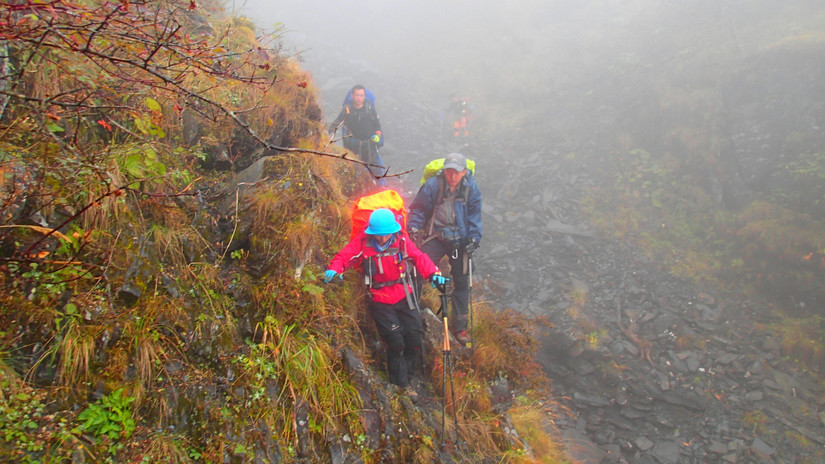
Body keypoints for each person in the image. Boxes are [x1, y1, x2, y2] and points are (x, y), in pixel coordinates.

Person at [324, 208, 446, 397]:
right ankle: (401, 385)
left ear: (393, 230)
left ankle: (407, 375)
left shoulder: (402, 241)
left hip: (405, 294)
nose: (382, 239)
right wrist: (334, 269)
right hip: (380, 298)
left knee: (414, 337)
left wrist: (434, 274)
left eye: (385, 234)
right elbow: (345, 256)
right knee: (396, 341)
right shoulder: (363, 243)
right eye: (378, 235)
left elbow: (419, 258)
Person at [407, 153, 481, 346]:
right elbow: (418, 209)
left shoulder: (470, 188)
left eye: (457, 172)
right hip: (436, 235)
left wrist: (474, 238)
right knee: (417, 270)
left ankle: (460, 328)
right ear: (444, 170)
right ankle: (412, 314)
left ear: (464, 172)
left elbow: (475, 216)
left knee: (462, 279)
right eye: (449, 171)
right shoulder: (433, 185)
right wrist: (414, 228)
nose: (453, 176)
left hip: (461, 239)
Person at [329, 85, 384, 177]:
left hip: (370, 144)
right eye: (357, 95)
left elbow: (377, 125)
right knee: (355, 170)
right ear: (352, 96)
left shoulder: (370, 109)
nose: (359, 98)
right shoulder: (347, 111)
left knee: (375, 168)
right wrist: (326, 132)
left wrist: (378, 135)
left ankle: (380, 187)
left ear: (364, 96)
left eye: (361, 95)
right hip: (354, 145)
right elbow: (337, 122)